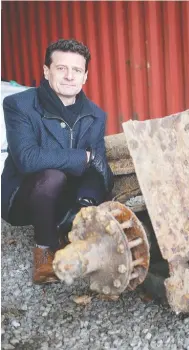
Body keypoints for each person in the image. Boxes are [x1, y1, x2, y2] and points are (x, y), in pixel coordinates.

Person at [1, 39, 113, 284]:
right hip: (23, 198)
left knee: (90, 188)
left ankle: (67, 228)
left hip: (65, 197)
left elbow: (98, 166)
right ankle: (44, 254)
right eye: (61, 68)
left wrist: (86, 203)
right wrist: (80, 157)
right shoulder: (19, 105)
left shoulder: (95, 115)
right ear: (46, 71)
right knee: (53, 175)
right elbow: (27, 159)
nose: (69, 76)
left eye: (77, 70)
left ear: (85, 76)